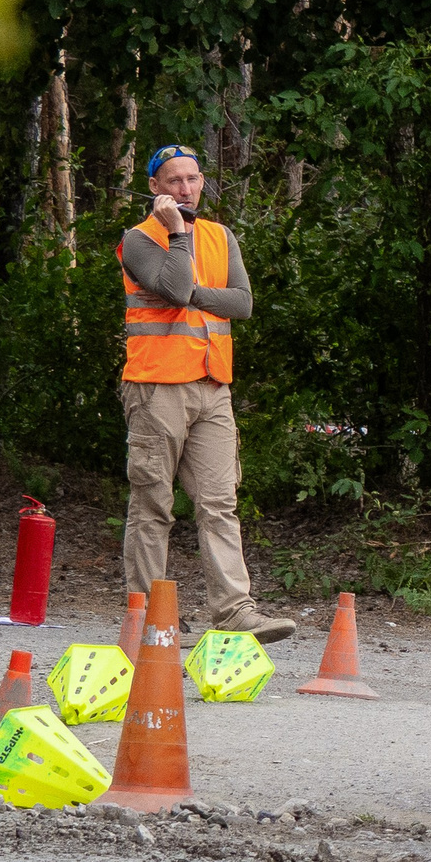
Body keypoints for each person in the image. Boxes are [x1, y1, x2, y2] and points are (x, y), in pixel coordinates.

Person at [117, 145, 295, 643]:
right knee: (152, 505)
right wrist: (177, 232)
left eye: (193, 179)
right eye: (173, 181)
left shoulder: (220, 235)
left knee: (220, 503)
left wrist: (195, 292)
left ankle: (235, 610)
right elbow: (173, 287)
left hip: (213, 386)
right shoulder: (138, 239)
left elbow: (242, 303)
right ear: (155, 188)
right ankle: (148, 613)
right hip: (156, 389)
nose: (186, 189)